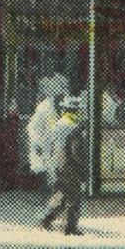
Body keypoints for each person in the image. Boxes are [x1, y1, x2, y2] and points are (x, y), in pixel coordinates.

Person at [38, 97, 87, 235]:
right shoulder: (76, 126)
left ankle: (45, 220)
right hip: (70, 165)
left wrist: (49, 164)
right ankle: (68, 228)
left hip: (57, 164)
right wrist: (83, 167)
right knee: (73, 197)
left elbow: (46, 144)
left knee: (61, 194)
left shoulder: (59, 124)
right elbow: (76, 150)